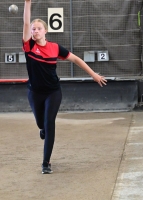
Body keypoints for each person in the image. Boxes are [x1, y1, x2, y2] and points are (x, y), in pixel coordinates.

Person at [22, 0, 107, 174]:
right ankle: (43, 129)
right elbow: (25, 22)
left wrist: (93, 75)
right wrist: (27, 3)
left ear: (45, 31)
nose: (34, 30)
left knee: (49, 123)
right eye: (33, 29)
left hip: (53, 92)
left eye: (38, 28)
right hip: (35, 93)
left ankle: (46, 162)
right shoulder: (29, 46)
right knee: (41, 124)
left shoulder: (55, 48)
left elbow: (76, 59)